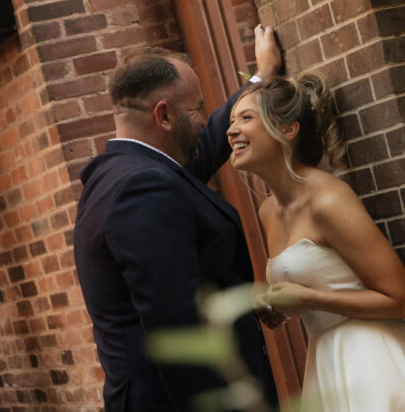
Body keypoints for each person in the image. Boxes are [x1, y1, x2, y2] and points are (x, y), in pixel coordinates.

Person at [73, 25, 281, 411]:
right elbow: (176, 326)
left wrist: (261, 78)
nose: (204, 118)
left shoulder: (126, 173)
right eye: (196, 108)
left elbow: (206, 143)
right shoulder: (143, 189)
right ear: (164, 115)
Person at [226, 72, 405, 411]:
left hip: (371, 358)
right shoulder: (268, 211)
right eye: (231, 120)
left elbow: (403, 301)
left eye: (246, 118)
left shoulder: (329, 200)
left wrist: (310, 298)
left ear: (288, 129)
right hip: (324, 362)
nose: (231, 130)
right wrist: (274, 306)